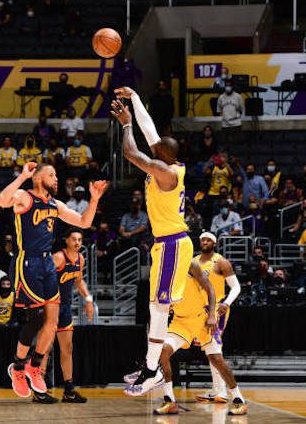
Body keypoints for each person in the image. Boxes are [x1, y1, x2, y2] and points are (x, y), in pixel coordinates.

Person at [0, 161, 107, 399]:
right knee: (36, 317)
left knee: (52, 321)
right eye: (51, 175)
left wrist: (94, 199)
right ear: (38, 178)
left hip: (46, 262)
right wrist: (22, 176)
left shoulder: (55, 204)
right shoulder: (24, 197)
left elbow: (84, 222)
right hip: (28, 261)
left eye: (56, 175)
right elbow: (2, 201)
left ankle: (34, 366)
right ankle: (17, 368)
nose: (56, 179)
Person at [111, 87, 194, 397]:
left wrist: (126, 125)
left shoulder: (164, 171)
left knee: (159, 309)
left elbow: (132, 153)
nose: (153, 144)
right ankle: (150, 366)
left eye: (157, 147)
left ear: (163, 155)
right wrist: (134, 98)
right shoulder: (169, 161)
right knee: (155, 307)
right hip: (166, 244)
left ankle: (152, 371)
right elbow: (151, 133)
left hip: (173, 244)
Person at [155, 258, 246, 415]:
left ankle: (239, 400)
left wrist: (212, 315)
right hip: (181, 321)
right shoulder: (162, 272)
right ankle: (169, 401)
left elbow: (210, 289)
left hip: (201, 318)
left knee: (216, 359)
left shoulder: (191, 264)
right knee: (163, 351)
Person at [35, 229, 94, 404]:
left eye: (80, 240)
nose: (77, 242)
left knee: (67, 348)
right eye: (74, 239)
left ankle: (68, 390)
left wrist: (88, 299)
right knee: (45, 348)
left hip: (65, 307)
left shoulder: (80, 259)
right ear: (67, 241)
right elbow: (41, 277)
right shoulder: (59, 258)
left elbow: (78, 281)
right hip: (51, 306)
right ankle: (39, 389)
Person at [188, 232, 242, 404]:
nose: (205, 242)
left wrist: (227, 302)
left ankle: (222, 391)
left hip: (217, 308)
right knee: (209, 349)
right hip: (198, 309)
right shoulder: (193, 261)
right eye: (202, 239)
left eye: (208, 240)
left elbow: (236, 287)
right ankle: (217, 389)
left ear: (214, 243)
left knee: (214, 348)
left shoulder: (221, 262)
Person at [216, 79, 244, 147]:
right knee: (224, 145)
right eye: (226, 85)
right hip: (225, 125)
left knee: (237, 145)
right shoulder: (221, 97)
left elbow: (242, 109)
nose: (228, 87)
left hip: (236, 124)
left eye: (229, 85)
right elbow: (219, 110)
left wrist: (236, 117)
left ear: (232, 86)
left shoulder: (238, 96)